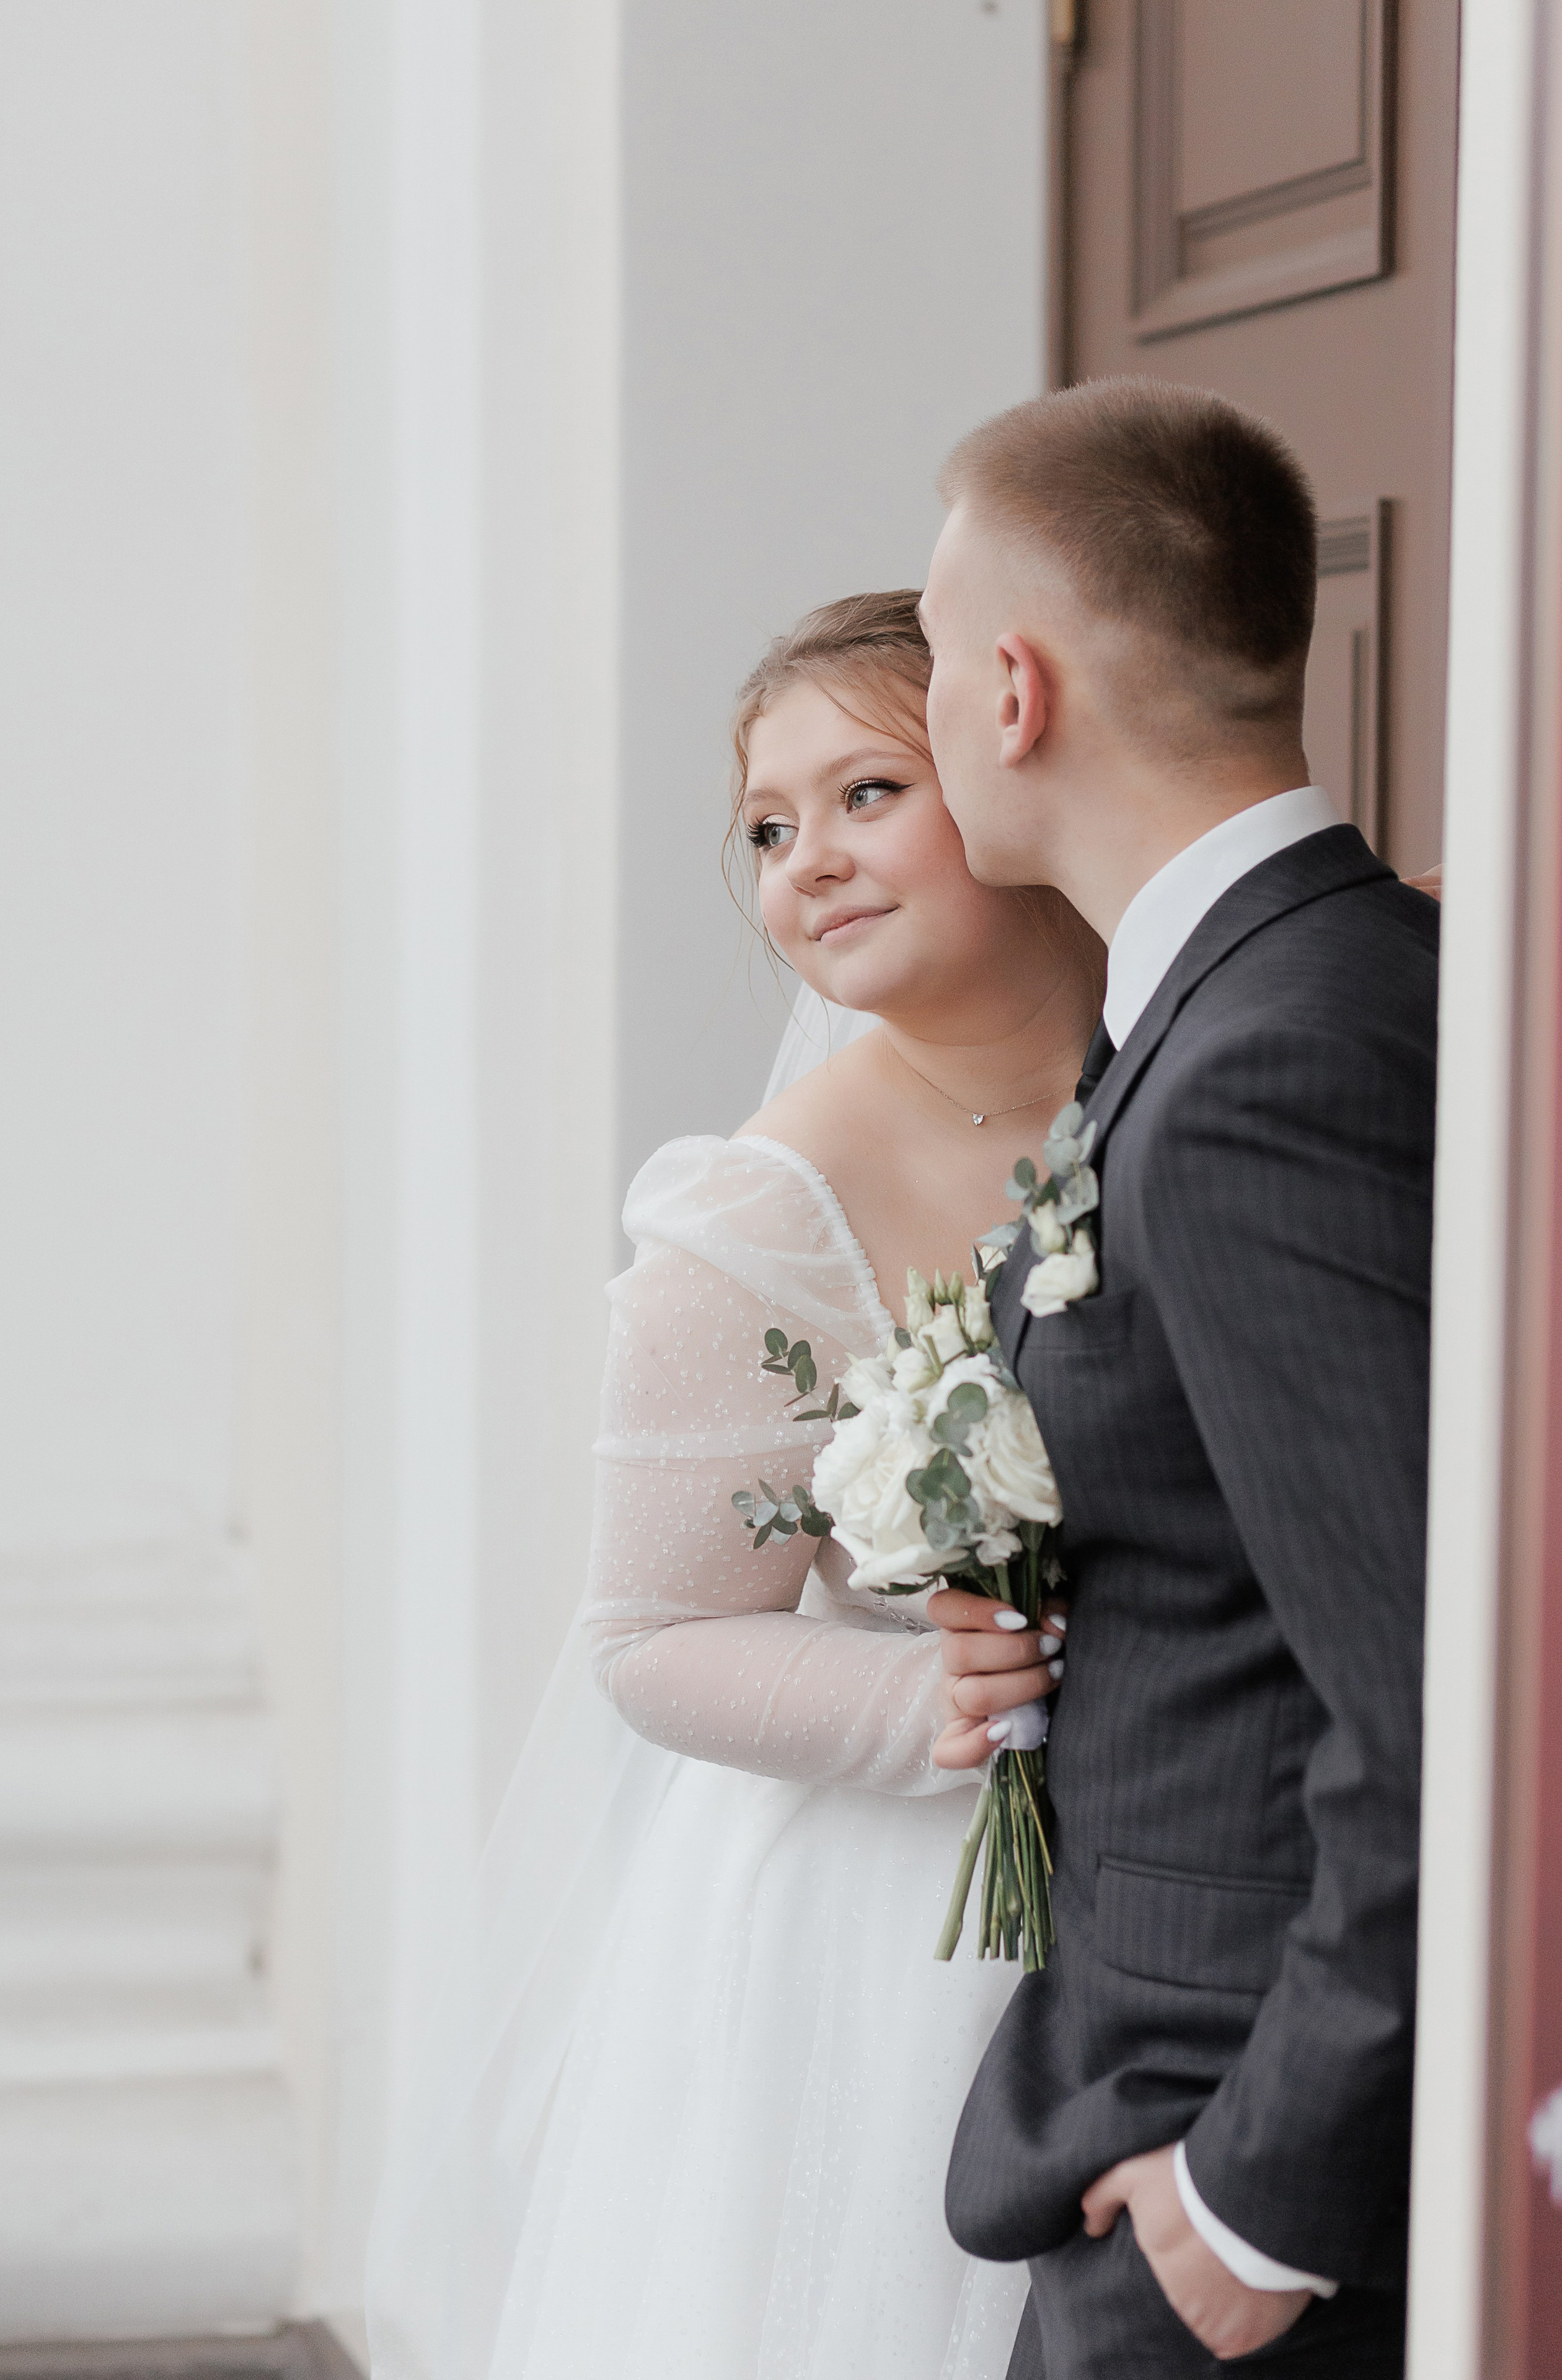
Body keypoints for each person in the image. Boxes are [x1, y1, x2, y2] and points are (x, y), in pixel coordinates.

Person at [364, 590, 1105, 2380]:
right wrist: (931, 1695)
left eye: (867, 793)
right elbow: (649, 1638)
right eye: (769, 832)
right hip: (888, 1942)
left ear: (1017, 782)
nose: (810, 864)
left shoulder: (1212, 1058)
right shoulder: (755, 1213)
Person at [919, 379, 1438, 2376]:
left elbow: (1428, 1694)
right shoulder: (1328, 979)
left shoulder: (1258, 1071)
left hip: (1231, 2141)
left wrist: (1260, 2197)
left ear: (1019, 690)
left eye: (946, 661)